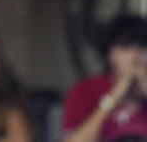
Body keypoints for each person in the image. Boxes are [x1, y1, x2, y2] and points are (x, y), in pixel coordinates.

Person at [63, 14, 147, 142]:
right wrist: (112, 98)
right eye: (125, 47)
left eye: (142, 46)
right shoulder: (85, 91)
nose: (135, 56)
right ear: (109, 54)